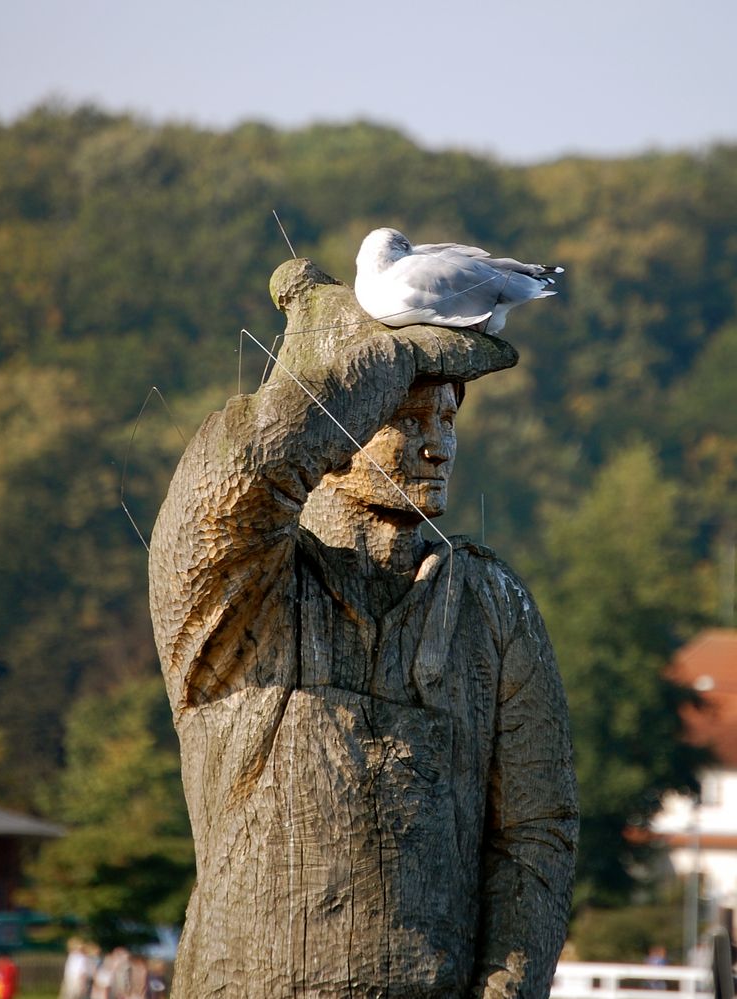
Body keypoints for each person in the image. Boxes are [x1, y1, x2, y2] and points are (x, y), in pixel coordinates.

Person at [149, 259, 578, 998]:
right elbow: (231, 487)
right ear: (331, 425)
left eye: (447, 418)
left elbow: (536, 834)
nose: (439, 445)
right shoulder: (244, 592)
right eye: (406, 418)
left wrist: (504, 991)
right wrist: (350, 372)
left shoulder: (492, 604)